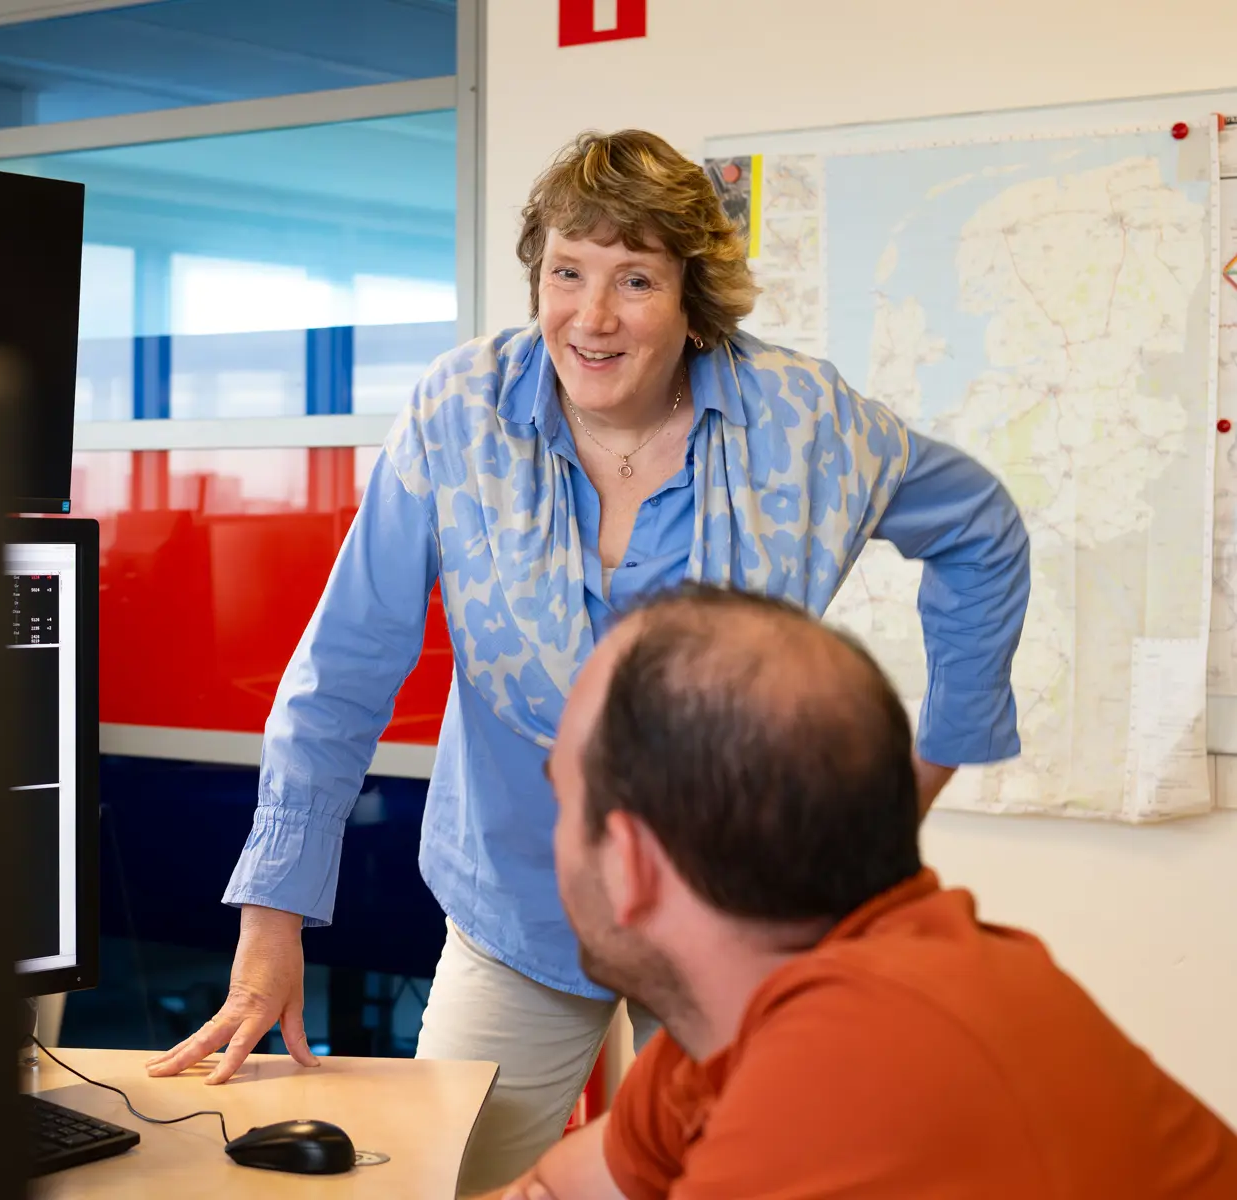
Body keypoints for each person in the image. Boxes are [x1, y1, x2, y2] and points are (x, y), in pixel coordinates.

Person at [145, 128, 1032, 1193]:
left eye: (636, 279)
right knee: (457, 1180)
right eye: (567, 273)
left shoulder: (806, 425)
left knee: (734, 1177)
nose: (592, 317)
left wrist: (931, 762)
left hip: (730, 908)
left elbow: (982, 527)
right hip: (517, 904)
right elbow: (345, 667)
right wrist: (271, 917)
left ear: (693, 300)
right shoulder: (456, 414)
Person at [481, 584, 1237, 1200]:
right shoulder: (732, 1034)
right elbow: (558, 1192)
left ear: (632, 864)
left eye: (564, 800)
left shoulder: (843, 1080)